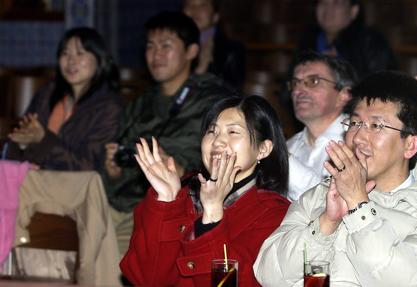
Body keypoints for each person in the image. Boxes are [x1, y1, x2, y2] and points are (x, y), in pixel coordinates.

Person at [254, 71, 417, 286]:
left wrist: (359, 207)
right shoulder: (319, 196)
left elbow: (406, 281)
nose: (358, 137)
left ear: (410, 145)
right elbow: (268, 274)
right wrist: (326, 223)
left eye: (377, 126)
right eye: (355, 123)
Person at [102, 11, 235, 256]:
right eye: (150, 46)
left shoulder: (214, 102)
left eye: (166, 46)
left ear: (191, 52)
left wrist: (179, 171)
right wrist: (115, 172)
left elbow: (227, 169)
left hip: (175, 209)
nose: (156, 55)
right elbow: (120, 167)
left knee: (113, 257)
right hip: (120, 204)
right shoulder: (140, 104)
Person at [120, 95, 290, 286]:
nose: (217, 141)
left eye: (233, 132)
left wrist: (212, 214)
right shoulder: (180, 192)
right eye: (212, 131)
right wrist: (167, 202)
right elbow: (146, 279)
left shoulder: (275, 213)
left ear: (263, 149)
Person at [6, 27, 122, 171]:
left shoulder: (109, 107)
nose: (71, 61)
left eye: (80, 53)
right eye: (65, 53)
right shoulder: (47, 93)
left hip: (75, 189)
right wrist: (22, 146)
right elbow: (16, 142)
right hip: (33, 181)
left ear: (99, 59)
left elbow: (90, 165)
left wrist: (43, 139)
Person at [286, 51, 357, 200]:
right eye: (295, 83)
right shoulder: (289, 146)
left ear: (344, 95)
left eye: (313, 81)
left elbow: (329, 201)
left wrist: (282, 158)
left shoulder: (359, 141)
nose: (298, 91)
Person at [297, 0, 397, 79]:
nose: (328, 8)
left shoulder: (371, 41)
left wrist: (340, 70)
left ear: (354, 11)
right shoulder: (307, 40)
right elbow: (287, 92)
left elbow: (381, 85)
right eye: (322, 2)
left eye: (336, 2)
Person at [183, 0, 246, 88]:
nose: (195, 9)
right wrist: (200, 69)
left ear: (215, 16)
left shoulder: (232, 50)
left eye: (203, 5)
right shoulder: (172, 48)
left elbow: (232, 94)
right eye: (189, 5)